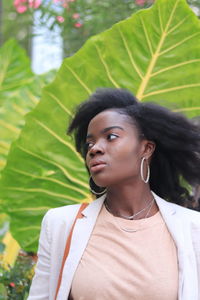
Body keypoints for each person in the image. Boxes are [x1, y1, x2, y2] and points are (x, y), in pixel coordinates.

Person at [28, 88, 200, 300]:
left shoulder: (193, 228)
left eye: (111, 137)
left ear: (146, 148)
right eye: (90, 143)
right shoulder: (61, 224)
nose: (95, 149)